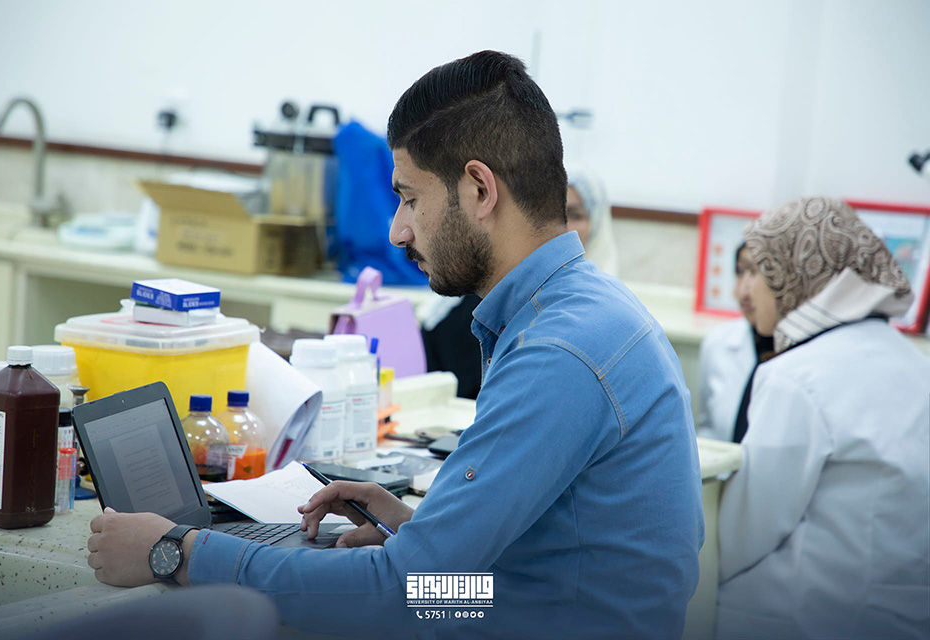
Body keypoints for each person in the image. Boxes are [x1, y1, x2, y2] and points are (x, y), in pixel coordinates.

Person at [87, 51, 704, 639]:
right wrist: (415, 529)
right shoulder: (586, 309)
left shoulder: (559, 354)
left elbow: (401, 594)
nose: (397, 231)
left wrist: (178, 552)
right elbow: (540, 567)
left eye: (410, 198)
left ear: (480, 190)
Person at [716, 197, 930, 639]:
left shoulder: (797, 376)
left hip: (803, 616)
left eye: (760, 270)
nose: (745, 292)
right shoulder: (915, 366)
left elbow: (743, 534)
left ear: (798, 273)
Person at [422, 167, 618, 400]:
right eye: (552, 213)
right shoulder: (481, 300)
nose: (563, 226)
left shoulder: (611, 311)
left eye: (574, 215)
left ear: (596, 224)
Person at [695, 244, 773, 442]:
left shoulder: (807, 351)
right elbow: (707, 427)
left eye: (756, 273)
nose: (742, 292)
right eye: (740, 272)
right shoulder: (717, 343)